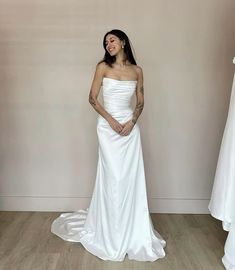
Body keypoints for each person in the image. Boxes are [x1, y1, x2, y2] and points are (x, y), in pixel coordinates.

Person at [51, 29, 166, 261]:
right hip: (108, 127)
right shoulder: (102, 67)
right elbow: (92, 98)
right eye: (105, 42)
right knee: (113, 176)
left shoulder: (137, 71)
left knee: (129, 178)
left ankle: (131, 228)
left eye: (112, 40)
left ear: (123, 42)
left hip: (130, 130)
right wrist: (112, 120)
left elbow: (141, 101)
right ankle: (109, 230)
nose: (109, 44)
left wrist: (132, 121)